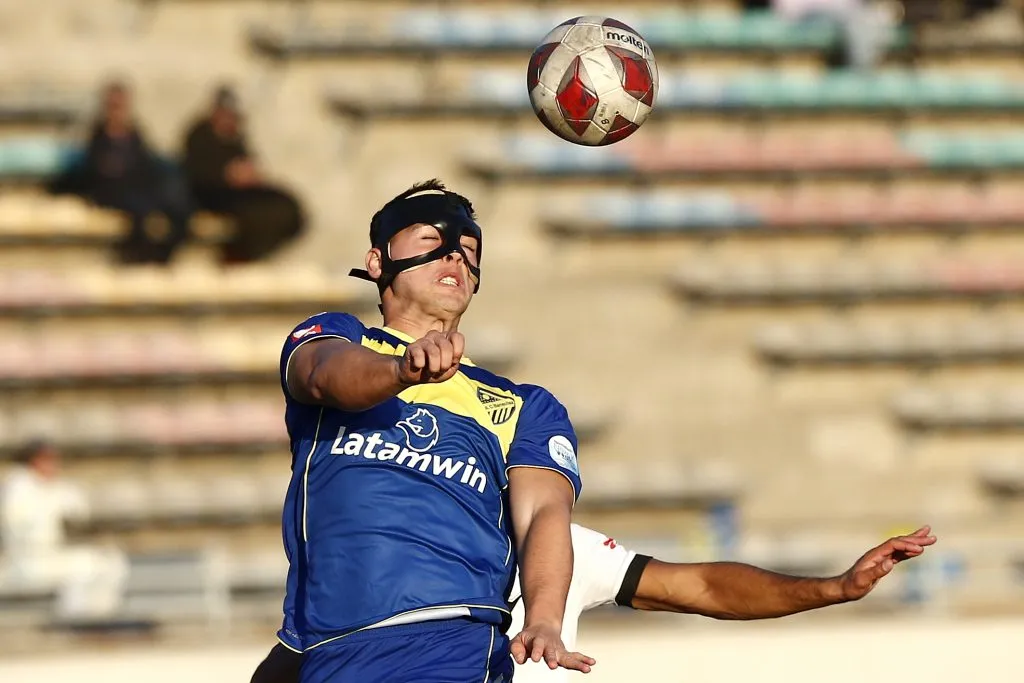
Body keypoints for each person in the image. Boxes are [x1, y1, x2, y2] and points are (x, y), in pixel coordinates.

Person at [273, 179, 591, 683]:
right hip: (331, 648)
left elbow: (544, 513)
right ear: (377, 263)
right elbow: (323, 374)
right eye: (431, 242)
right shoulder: (334, 336)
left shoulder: (525, 405)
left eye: (468, 250)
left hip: (452, 644)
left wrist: (546, 619)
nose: (455, 258)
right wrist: (401, 370)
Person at [251, 522, 936, 683]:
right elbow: (293, 661)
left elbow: (698, 585)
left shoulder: (555, 540)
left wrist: (833, 587)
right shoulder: (383, 567)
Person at [63, 81, 193, 264]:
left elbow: (146, 165)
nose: (117, 111)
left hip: (138, 189)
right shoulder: (98, 137)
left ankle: (162, 259)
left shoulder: (135, 134)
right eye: (113, 106)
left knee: (178, 209)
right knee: (141, 213)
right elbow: (96, 172)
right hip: (114, 193)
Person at [0, 440, 129, 621]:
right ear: (32, 461)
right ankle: (75, 623)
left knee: (110, 561)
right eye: (45, 460)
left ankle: (100, 619)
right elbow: (31, 529)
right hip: (27, 562)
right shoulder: (18, 487)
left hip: (52, 556)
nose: (52, 465)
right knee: (84, 569)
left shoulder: (57, 487)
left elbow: (78, 515)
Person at [182, 86, 304, 264]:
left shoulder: (235, 138)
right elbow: (198, 174)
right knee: (257, 215)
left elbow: (248, 165)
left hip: (242, 193)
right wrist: (227, 175)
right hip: (214, 196)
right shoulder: (200, 137)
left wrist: (249, 174)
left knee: (286, 206)